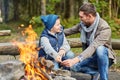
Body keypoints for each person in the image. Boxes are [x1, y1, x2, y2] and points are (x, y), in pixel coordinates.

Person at [61, 3, 116, 80]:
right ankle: (95, 73)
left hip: (104, 58)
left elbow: (93, 46)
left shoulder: (104, 28)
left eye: (81, 17)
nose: (80, 19)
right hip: (89, 58)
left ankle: (103, 78)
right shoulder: (83, 25)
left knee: (100, 49)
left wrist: (75, 60)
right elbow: (69, 31)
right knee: (73, 67)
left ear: (89, 16)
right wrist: (54, 31)